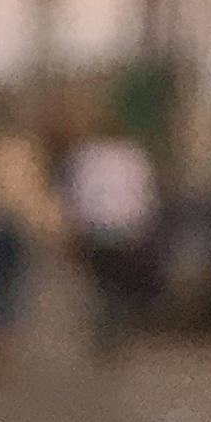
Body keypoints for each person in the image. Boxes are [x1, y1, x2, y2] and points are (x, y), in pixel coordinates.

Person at [63, 129, 159, 359]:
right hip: (125, 230)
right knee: (118, 285)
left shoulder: (88, 156)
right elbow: (144, 194)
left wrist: (77, 225)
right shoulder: (134, 156)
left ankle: (107, 330)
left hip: (97, 230)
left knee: (102, 285)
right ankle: (114, 330)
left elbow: (78, 193)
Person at [0, 130, 60, 375]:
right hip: (23, 223)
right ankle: (5, 343)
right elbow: (40, 192)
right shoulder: (33, 153)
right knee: (17, 284)